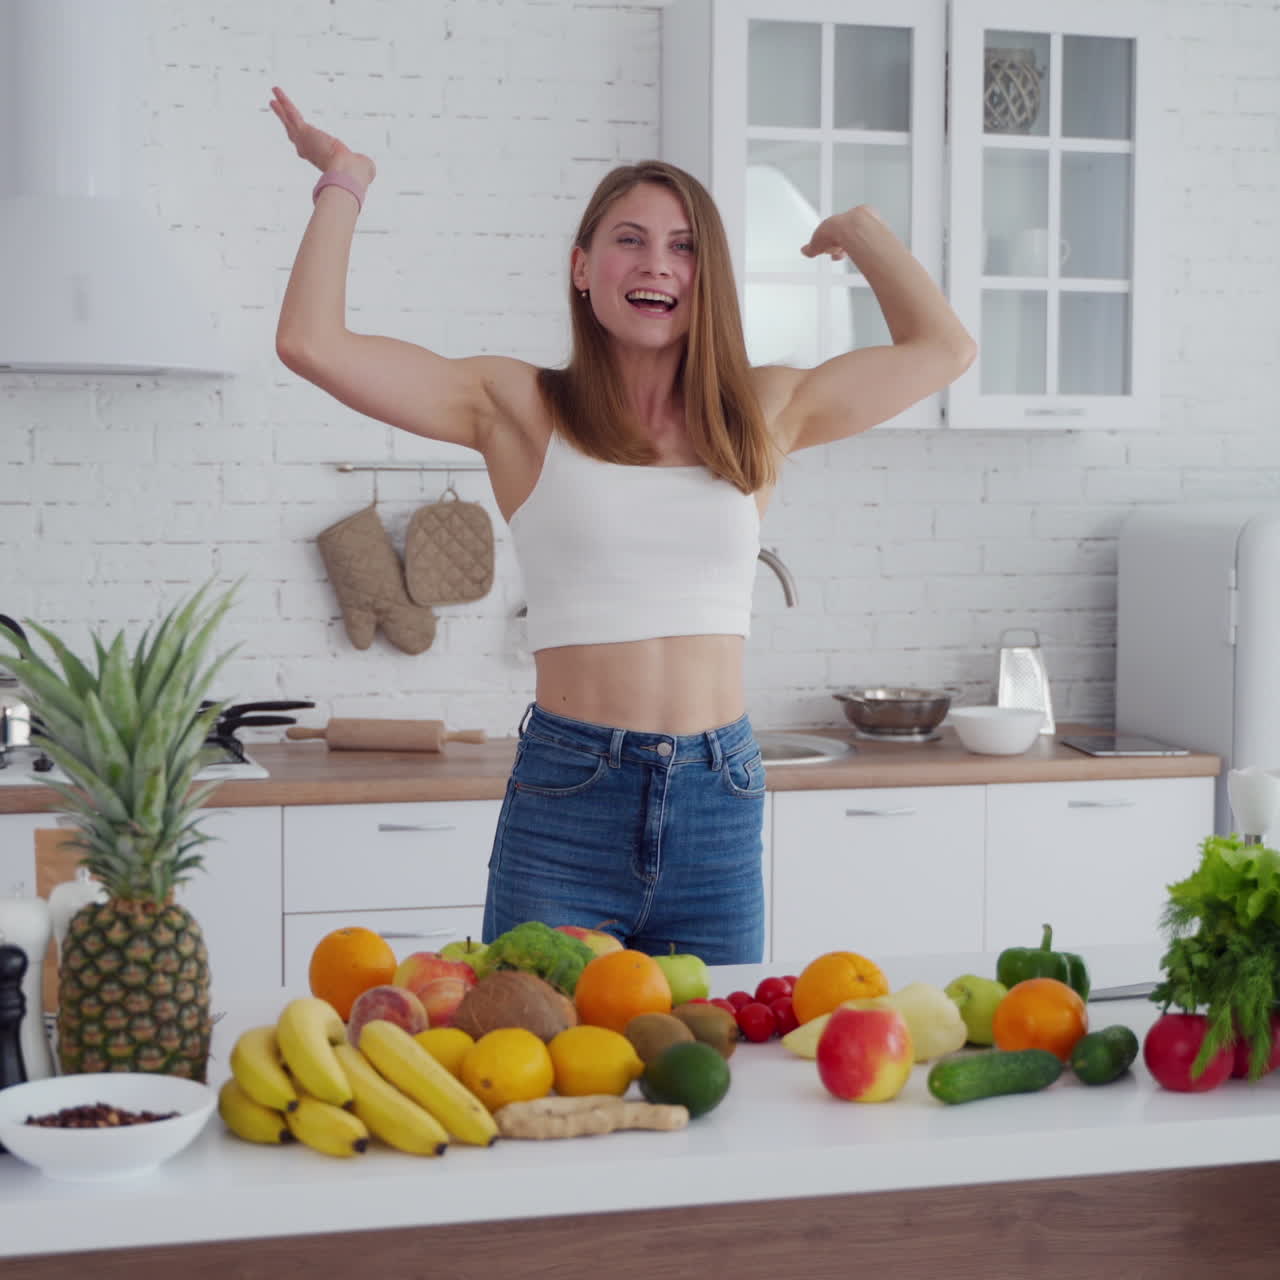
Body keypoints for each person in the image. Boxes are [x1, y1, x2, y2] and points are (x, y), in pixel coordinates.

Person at [269, 86, 975, 965]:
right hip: (572, 795)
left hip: (720, 795)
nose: (658, 264)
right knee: (537, 1071)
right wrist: (344, 180)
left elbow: (945, 351)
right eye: (630, 240)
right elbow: (311, 344)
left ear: (705, 276)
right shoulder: (519, 406)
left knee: (712, 1079)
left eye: (684, 247)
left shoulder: (759, 410)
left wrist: (864, 233)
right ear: (582, 267)